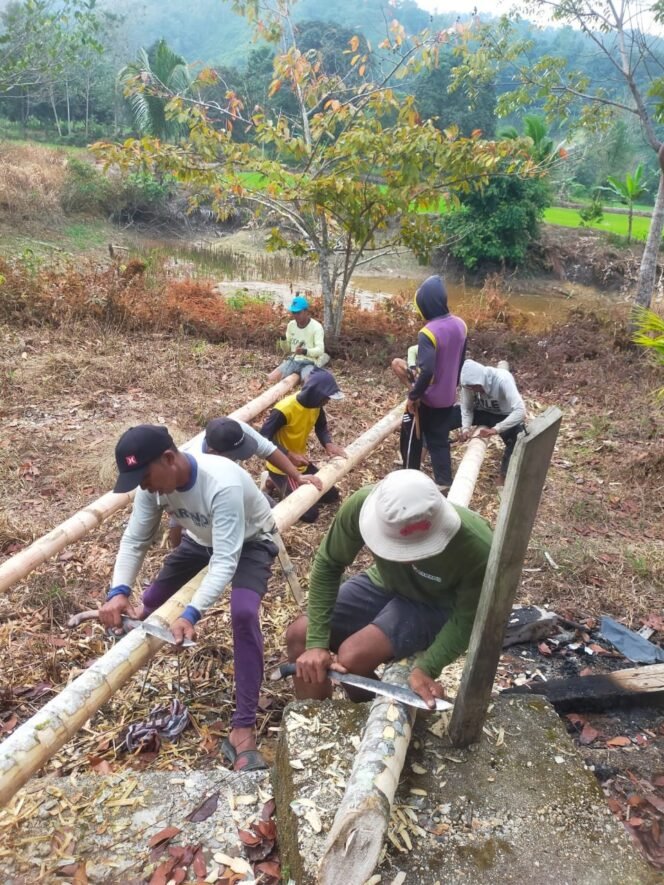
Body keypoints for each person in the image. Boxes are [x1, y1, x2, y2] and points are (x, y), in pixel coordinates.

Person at [99, 424, 279, 772]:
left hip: (252, 540)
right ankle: (134, 624)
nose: (144, 485)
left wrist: (191, 614)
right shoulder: (151, 489)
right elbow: (135, 541)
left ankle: (243, 726)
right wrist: (118, 591)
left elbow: (227, 559)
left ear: (169, 458)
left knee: (242, 613)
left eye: (145, 476)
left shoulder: (221, 483)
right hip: (202, 539)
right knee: (149, 601)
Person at [285, 470, 492, 708]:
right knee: (300, 634)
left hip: (435, 603)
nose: (407, 557)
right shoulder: (363, 505)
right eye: (399, 548)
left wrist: (426, 667)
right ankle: (315, 726)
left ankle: (379, 724)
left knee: (353, 657)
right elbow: (329, 563)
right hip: (385, 581)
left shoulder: (478, 547)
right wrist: (316, 643)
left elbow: (468, 619)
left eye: (419, 549)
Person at [166, 417, 324, 547]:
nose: (240, 457)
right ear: (214, 453)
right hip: (210, 507)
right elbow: (178, 515)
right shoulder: (194, 467)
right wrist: (178, 550)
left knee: (277, 517)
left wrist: (297, 476)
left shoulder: (234, 429)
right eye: (235, 455)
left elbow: (268, 450)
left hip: (238, 487)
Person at [403, 275, 467, 494]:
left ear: (425, 305)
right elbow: (461, 359)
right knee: (439, 437)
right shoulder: (460, 325)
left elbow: (427, 370)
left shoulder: (428, 332)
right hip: (449, 394)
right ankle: (443, 477)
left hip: (431, 397)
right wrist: (455, 384)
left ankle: (412, 472)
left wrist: (414, 396)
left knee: (422, 433)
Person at [260, 368, 346, 523]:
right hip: (282, 466)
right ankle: (272, 479)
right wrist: (288, 454)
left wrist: (328, 444)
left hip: (301, 463)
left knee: (332, 496)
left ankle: (273, 482)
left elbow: (321, 426)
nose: (328, 401)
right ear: (315, 393)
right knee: (310, 515)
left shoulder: (316, 406)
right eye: (326, 398)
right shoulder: (284, 409)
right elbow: (262, 438)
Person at [456, 359, 527, 482]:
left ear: (482, 380)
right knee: (448, 417)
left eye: (476, 387)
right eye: (471, 388)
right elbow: (466, 408)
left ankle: (504, 477)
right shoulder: (468, 385)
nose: (474, 390)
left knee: (516, 441)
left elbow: (520, 411)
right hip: (482, 411)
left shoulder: (503, 380)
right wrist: (465, 428)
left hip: (503, 415)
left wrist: (496, 429)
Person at [267, 295, 330, 384]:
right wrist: (283, 337)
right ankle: (296, 375)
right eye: (294, 312)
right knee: (271, 378)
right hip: (293, 360)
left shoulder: (316, 327)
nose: (295, 315)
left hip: (309, 362)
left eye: (298, 313)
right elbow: (287, 350)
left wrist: (304, 351)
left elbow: (320, 350)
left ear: (306, 311)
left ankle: (301, 376)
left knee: (309, 383)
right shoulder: (291, 325)